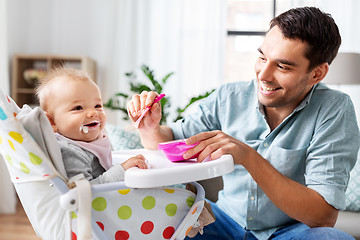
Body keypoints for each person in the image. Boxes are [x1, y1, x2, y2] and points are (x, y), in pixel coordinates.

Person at [127, 6, 359, 240]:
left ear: (317, 74)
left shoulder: (334, 109)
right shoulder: (229, 97)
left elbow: (323, 216)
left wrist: (249, 157)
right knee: (161, 212)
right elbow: (170, 142)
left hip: (289, 231)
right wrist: (150, 127)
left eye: (282, 66)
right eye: (262, 58)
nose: (263, 75)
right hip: (222, 221)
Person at [36, 67, 147, 184]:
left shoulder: (95, 140)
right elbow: (84, 191)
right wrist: (122, 169)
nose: (93, 112)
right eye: (78, 108)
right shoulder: (69, 152)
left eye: (97, 105)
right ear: (52, 122)